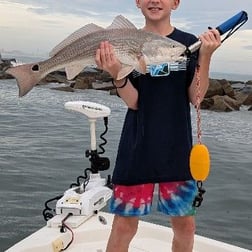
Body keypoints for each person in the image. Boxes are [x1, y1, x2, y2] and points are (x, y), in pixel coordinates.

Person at [95, 0, 221, 251]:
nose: (155, 0)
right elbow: (134, 101)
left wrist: (205, 55)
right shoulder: (127, 43)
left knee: (185, 226)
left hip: (177, 149)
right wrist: (116, 72)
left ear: (175, 3)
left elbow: (196, 98)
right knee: (123, 225)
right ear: (138, 2)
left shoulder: (188, 44)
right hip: (137, 146)